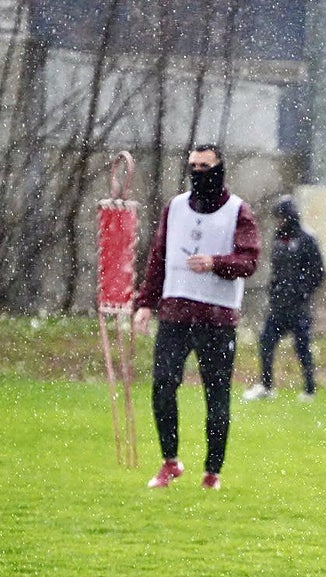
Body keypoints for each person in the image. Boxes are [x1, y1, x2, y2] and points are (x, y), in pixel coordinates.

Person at [133, 144, 261, 491]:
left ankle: (212, 472)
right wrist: (145, 303)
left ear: (219, 169)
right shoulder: (174, 208)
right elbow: (158, 257)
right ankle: (170, 462)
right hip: (175, 313)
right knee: (163, 385)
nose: (198, 173)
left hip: (217, 319)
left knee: (217, 397)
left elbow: (249, 261)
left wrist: (216, 263)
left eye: (205, 166)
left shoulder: (238, 211)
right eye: (193, 166)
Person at [243, 196, 325, 402]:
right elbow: (277, 271)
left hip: (299, 307)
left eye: (281, 217)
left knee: (302, 347)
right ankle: (266, 386)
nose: (278, 221)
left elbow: (318, 273)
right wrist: (275, 292)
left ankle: (309, 389)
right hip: (279, 306)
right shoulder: (278, 239)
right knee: (266, 342)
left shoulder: (307, 239)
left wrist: (301, 292)